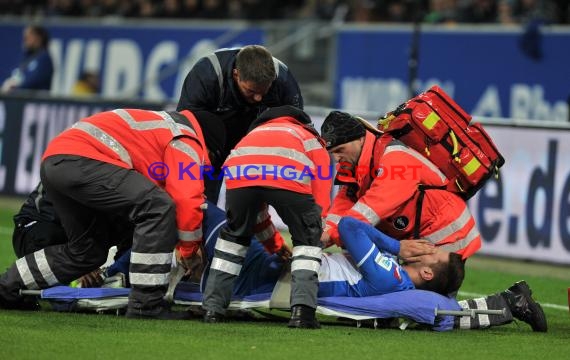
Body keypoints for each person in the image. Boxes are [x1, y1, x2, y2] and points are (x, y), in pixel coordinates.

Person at [0, 108, 225, 320]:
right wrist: (189, 250)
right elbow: (185, 198)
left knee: (86, 252)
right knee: (158, 206)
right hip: (81, 159)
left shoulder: (163, 127)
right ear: (211, 151)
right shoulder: (187, 139)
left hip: (57, 160)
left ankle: (7, 287)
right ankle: (145, 305)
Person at [202, 105, 331, 329]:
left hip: (238, 175)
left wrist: (274, 245)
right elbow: (320, 193)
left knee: (232, 241)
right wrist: (315, 228)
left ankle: (213, 309)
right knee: (307, 241)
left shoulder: (252, 135)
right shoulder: (308, 137)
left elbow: (257, 214)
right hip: (289, 177)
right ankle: (302, 313)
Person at [319, 111, 481, 259]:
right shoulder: (353, 163)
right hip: (418, 236)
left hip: (448, 235)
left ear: (360, 139)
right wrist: (323, 235)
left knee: (415, 287)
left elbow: (371, 209)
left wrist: (332, 235)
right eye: (332, 152)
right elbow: (343, 204)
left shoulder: (396, 159)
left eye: (340, 149)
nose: (336, 158)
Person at [176, 44, 303, 203]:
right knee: (202, 201)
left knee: (249, 206)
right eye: (251, 91)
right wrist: (205, 155)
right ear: (236, 75)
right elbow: (184, 124)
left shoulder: (283, 80)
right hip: (212, 142)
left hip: (255, 143)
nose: (258, 98)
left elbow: (297, 127)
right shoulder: (207, 74)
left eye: (264, 91)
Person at [2, 25, 54, 92]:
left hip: (34, 101)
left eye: (28, 37)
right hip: (17, 99)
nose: (24, 40)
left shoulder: (44, 58)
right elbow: (14, 74)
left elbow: (33, 81)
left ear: (38, 38)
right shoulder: (26, 57)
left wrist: (14, 88)